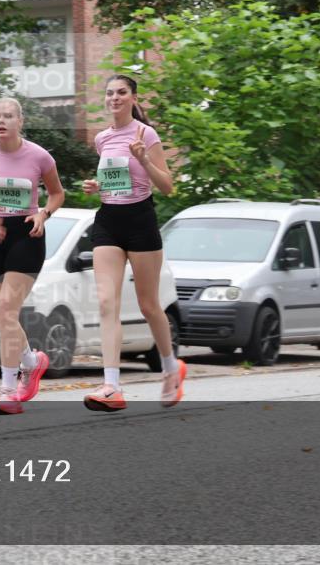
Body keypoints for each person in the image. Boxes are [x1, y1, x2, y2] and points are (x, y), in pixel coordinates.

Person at [82, 75, 185, 411]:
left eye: (121, 93)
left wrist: (143, 159)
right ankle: (111, 386)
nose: (114, 98)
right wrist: (98, 187)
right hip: (108, 221)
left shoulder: (146, 134)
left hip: (140, 221)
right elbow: (114, 180)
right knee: (106, 301)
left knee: (148, 305)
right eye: (110, 93)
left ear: (133, 98)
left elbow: (167, 186)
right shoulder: (101, 139)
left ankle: (171, 368)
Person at [0, 98, 65, 415]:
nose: (1, 121)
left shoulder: (38, 156)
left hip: (27, 234)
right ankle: (32, 363)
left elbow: (58, 193)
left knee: (7, 309)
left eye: (7, 116)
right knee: (2, 315)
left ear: (20, 121)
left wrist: (43, 214)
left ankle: (7, 389)